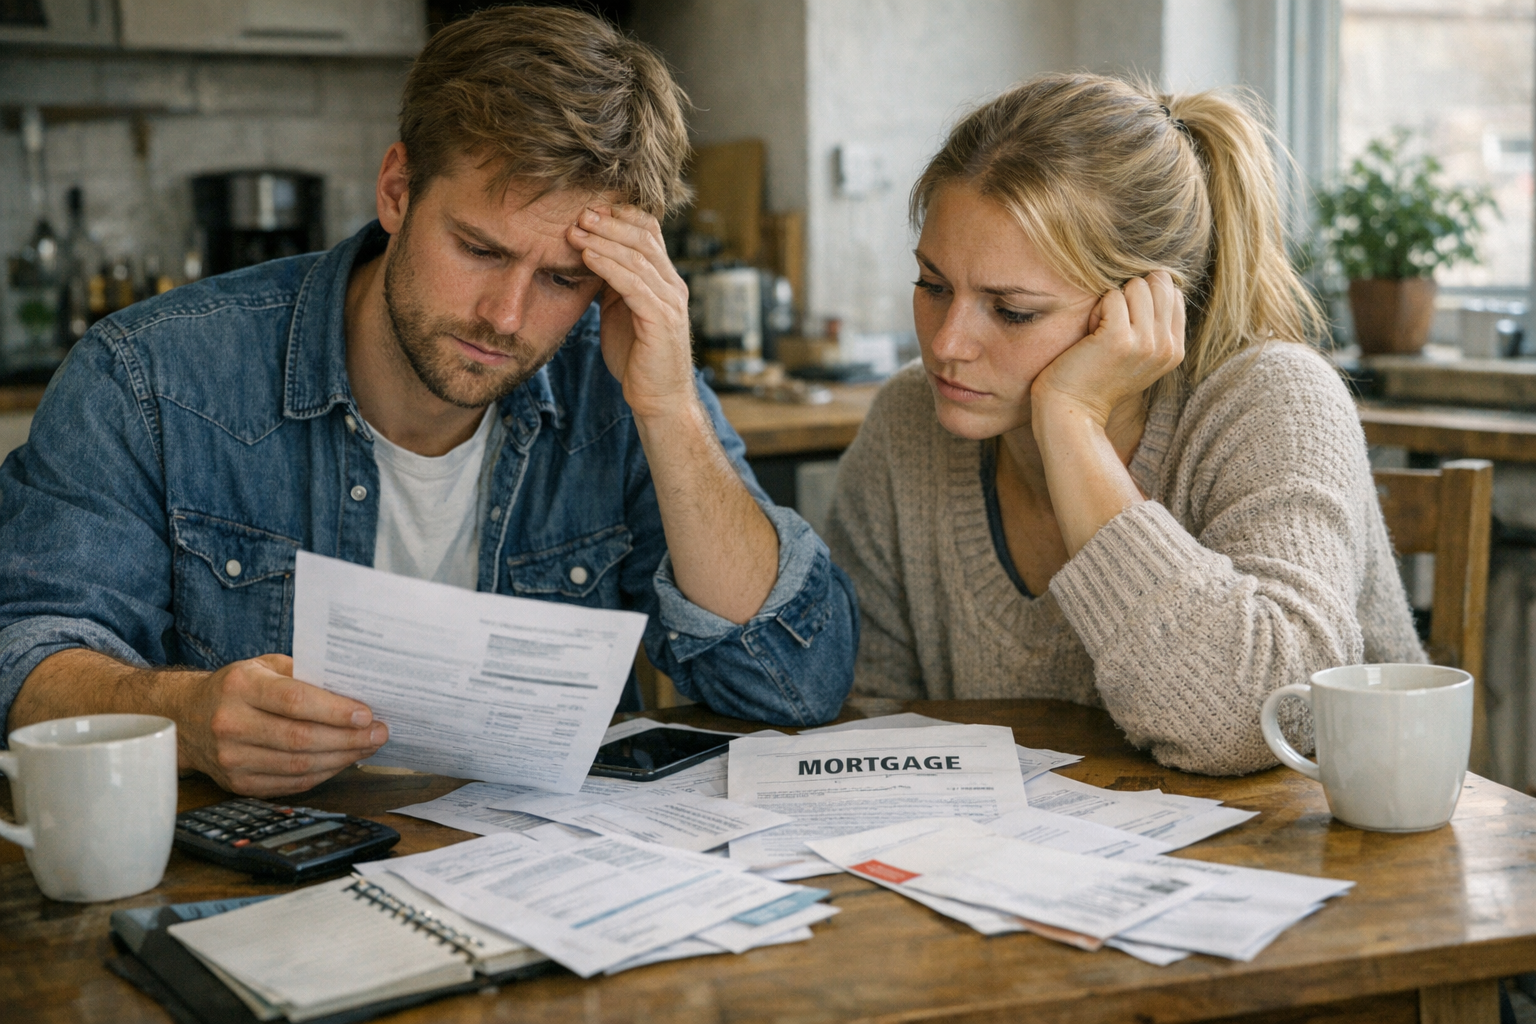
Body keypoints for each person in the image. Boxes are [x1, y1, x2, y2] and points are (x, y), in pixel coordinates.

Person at [0, 6, 857, 796]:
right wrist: (182, 716)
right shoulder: (149, 375)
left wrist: (670, 409)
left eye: (563, 278)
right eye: (480, 249)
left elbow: (793, 684)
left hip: (543, 891)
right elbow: (25, 655)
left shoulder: (625, 384)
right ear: (397, 191)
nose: (507, 317)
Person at [825, 74, 1423, 776]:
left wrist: (1071, 421)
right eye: (933, 285)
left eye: (1012, 310)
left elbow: (1259, 723)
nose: (947, 342)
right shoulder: (908, 422)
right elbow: (866, 717)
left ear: (1143, 309)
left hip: (1324, 864)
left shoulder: (1275, 400)